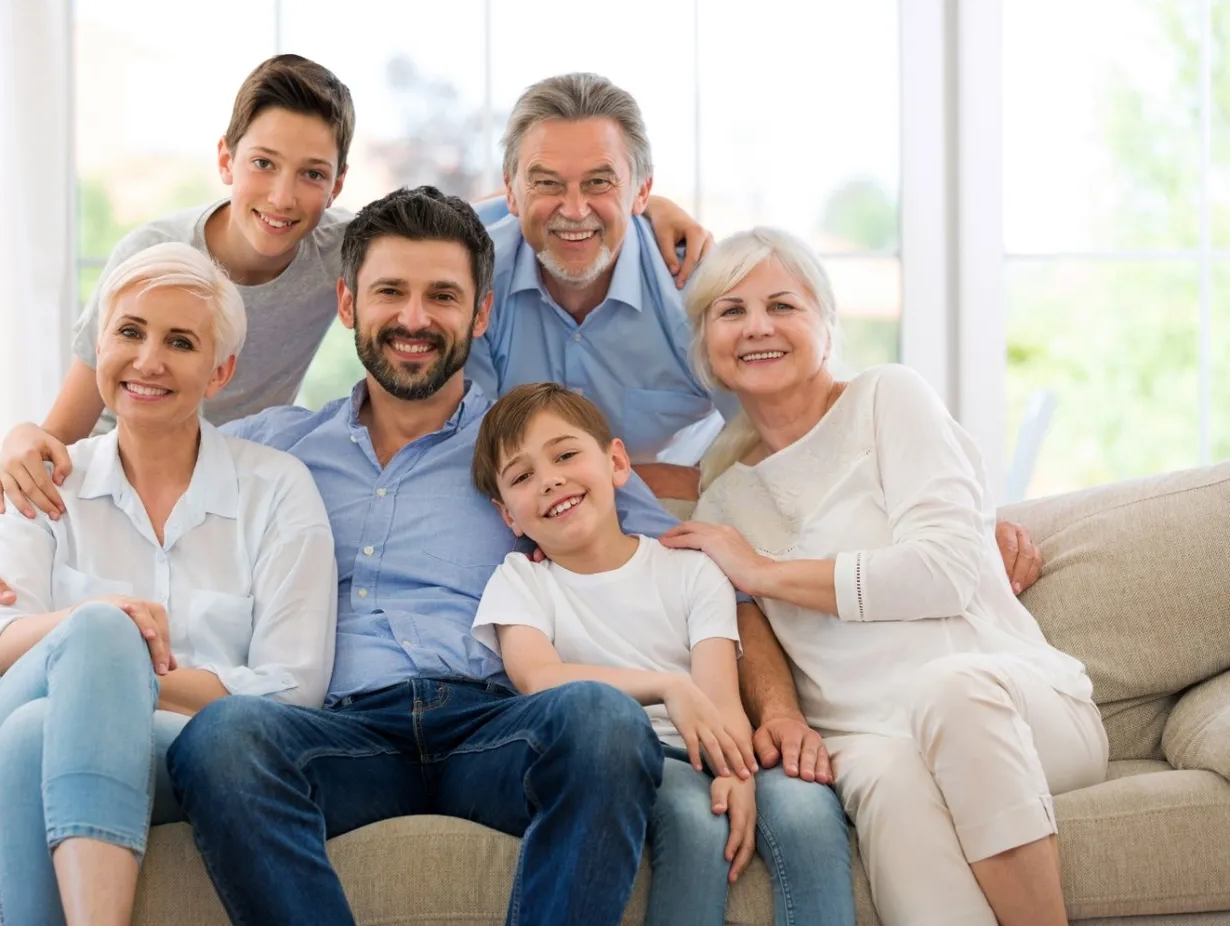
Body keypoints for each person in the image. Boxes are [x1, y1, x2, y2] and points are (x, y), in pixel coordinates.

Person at [0, 188, 840, 924]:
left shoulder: (530, 454)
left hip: (491, 722)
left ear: (481, 313)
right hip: (338, 731)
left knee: (599, 720)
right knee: (228, 738)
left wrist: (772, 712)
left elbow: (698, 569)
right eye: (390, 293)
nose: (415, 318)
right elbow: (142, 433)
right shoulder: (274, 451)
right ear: (346, 305)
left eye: (443, 296)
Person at [0, 56, 710, 527]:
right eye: (263, 164)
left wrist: (645, 208)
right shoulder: (152, 256)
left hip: (233, 478)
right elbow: (69, 426)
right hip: (135, 464)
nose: (281, 196)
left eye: (310, 174)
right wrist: (22, 454)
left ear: (336, 184)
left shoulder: (340, 247)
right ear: (226, 160)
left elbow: (465, 216)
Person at [661, 226, 1109, 926]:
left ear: (826, 326)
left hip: (1013, 709)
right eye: (731, 311)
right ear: (706, 348)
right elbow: (743, 632)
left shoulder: (889, 399)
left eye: (783, 305)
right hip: (867, 740)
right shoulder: (721, 502)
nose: (758, 327)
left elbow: (947, 571)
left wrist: (765, 571)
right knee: (893, 786)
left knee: (949, 689)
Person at [0, 241, 338, 925]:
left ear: (220, 372)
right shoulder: (40, 480)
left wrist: (108, 680)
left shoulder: (278, 490)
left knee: (39, 731)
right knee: (101, 626)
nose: (148, 360)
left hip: (171, 747)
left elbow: (291, 687)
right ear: (99, 346)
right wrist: (102, 638)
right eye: (128, 332)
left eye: (180, 341)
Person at [468, 382, 855, 926]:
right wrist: (666, 686)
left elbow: (721, 697)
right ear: (508, 515)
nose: (550, 479)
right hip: (628, 762)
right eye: (522, 476)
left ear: (617, 462)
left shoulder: (690, 568)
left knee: (806, 807)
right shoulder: (521, 582)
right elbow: (539, 677)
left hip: (715, 745)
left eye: (565, 455)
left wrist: (738, 772)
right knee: (697, 818)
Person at [467, 73, 734, 496]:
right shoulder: (468, 273)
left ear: (642, 191)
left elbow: (775, 444)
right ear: (512, 192)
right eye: (547, 183)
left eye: (599, 182)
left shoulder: (702, 291)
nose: (574, 211)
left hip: (677, 513)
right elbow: (465, 453)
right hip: (517, 518)